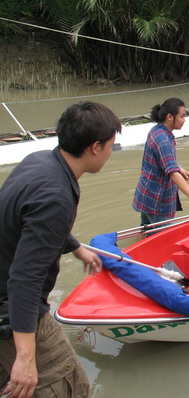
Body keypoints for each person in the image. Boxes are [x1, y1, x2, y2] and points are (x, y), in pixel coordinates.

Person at [0, 101, 122, 398]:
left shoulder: (39, 160)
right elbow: (24, 280)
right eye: (110, 146)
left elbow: (25, 219)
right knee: (70, 387)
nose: (110, 153)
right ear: (95, 147)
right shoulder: (57, 197)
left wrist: (75, 246)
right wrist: (27, 357)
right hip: (12, 311)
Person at [132, 97, 189, 228]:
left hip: (147, 195)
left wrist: (177, 167)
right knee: (164, 240)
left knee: (145, 232)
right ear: (170, 117)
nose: (184, 120)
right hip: (158, 202)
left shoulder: (156, 131)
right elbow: (173, 174)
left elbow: (158, 160)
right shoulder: (163, 139)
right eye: (182, 116)